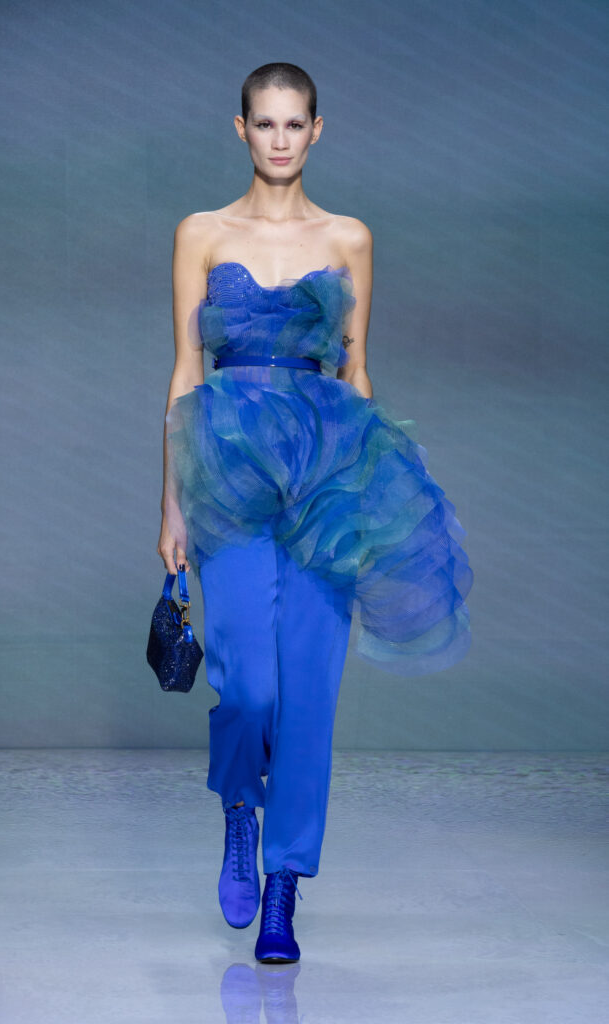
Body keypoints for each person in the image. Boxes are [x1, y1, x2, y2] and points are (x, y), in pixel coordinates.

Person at [157, 62, 473, 965]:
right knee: (247, 683)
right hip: (226, 477)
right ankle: (239, 813)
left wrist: (371, 498)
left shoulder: (348, 238)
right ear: (241, 129)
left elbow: (356, 371)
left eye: (294, 124)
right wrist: (170, 501)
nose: (280, 139)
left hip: (327, 481)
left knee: (309, 691)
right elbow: (183, 373)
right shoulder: (201, 233)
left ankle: (284, 890)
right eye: (265, 123)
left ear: (317, 130)